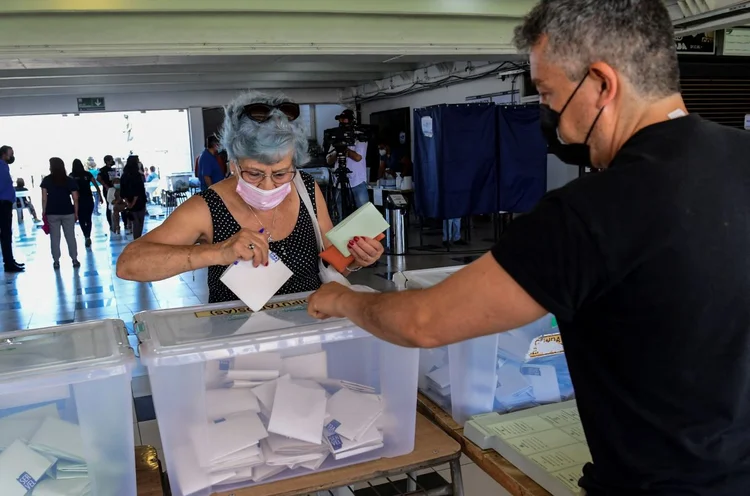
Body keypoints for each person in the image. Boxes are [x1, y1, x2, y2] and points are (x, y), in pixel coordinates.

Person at [308, 1, 750, 495]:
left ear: (602, 83)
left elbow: (425, 322)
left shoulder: (593, 211)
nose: (552, 122)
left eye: (547, 94)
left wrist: (345, 299)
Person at [116, 91, 384, 302]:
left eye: (280, 174)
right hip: (239, 349)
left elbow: (330, 266)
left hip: (307, 337)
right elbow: (129, 264)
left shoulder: (306, 189)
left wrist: (357, 260)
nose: (268, 186)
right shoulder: (208, 207)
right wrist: (218, 252)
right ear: (233, 164)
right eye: (254, 173)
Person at [326, 109, 369, 220]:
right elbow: (329, 160)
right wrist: (337, 149)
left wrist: (345, 148)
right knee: (340, 215)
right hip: (339, 182)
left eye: (345, 120)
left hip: (357, 181)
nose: (343, 123)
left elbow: (358, 157)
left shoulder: (359, 138)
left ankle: (366, 235)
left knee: (364, 213)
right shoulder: (336, 138)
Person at [42, 157, 79, 269]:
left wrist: (44, 211)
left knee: (54, 237)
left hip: (52, 212)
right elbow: (75, 198)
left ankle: (56, 261)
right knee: (70, 236)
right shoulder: (69, 180)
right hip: (68, 211)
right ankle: (74, 259)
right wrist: (76, 212)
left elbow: (44, 198)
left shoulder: (46, 180)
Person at [0, 146, 23, 272]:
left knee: (6, 234)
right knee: (6, 234)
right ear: (4, 154)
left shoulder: (3, 165)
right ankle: (9, 263)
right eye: (11, 154)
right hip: (3, 204)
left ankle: (9, 260)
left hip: (5, 203)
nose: (12, 156)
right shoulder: (2, 166)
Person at [70, 158, 103, 247]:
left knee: (81, 219)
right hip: (88, 198)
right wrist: (100, 196)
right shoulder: (87, 174)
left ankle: (86, 235)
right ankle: (88, 235)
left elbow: (69, 189)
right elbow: (96, 185)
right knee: (88, 218)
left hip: (78, 200)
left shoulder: (72, 176)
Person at [120, 155, 148, 239]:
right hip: (139, 200)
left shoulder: (124, 175)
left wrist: (128, 202)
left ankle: (136, 238)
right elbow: (138, 190)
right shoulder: (137, 175)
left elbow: (123, 190)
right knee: (140, 221)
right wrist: (133, 202)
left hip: (129, 199)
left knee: (135, 220)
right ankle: (138, 238)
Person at [98, 155, 116, 232]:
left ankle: (115, 222)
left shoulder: (113, 169)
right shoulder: (103, 170)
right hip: (108, 190)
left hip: (114, 189)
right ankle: (111, 224)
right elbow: (98, 178)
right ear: (108, 161)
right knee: (109, 206)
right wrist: (105, 186)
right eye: (111, 160)